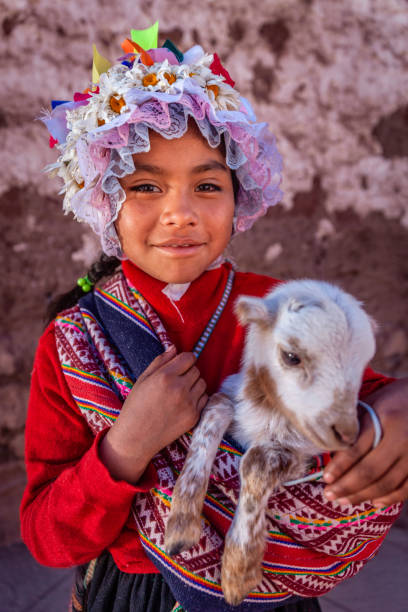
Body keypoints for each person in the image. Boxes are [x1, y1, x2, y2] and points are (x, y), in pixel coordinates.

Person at [21, 24, 407, 612]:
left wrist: (396, 410)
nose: (180, 213)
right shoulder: (73, 342)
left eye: (207, 184)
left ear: (239, 195)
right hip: (129, 595)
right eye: (146, 186)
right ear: (103, 200)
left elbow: (365, 400)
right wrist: (126, 446)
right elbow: (48, 536)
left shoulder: (285, 308)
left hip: (266, 589)